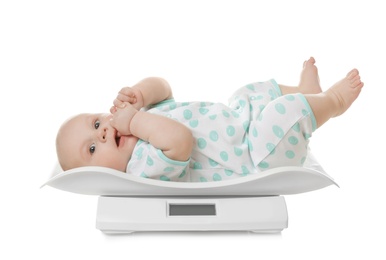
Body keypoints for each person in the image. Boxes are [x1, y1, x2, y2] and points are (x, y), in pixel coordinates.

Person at [56, 57, 364, 182]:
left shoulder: (141, 121)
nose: (103, 134)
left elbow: (164, 88)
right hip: (256, 156)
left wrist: (140, 93)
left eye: (96, 123)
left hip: (239, 124)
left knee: (245, 93)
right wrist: (135, 121)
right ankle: (332, 102)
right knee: (279, 116)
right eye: (92, 150)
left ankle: (305, 92)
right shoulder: (141, 165)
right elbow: (180, 140)